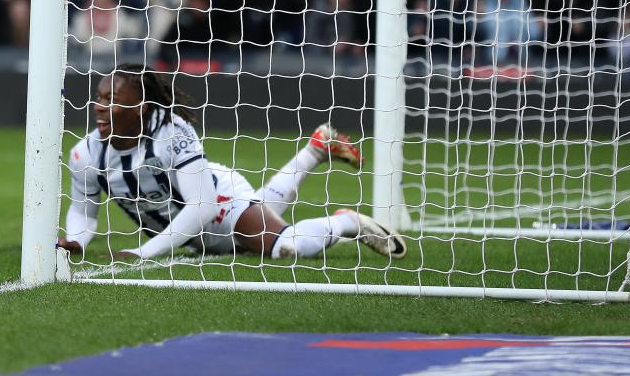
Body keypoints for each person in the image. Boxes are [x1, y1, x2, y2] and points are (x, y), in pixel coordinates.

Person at [59, 64, 408, 263]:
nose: (100, 107)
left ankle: (346, 222)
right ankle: (316, 149)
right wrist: (76, 240)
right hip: (191, 230)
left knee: (282, 247)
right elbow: (83, 212)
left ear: (143, 107)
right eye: (99, 98)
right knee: (254, 224)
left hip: (216, 200)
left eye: (113, 100)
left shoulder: (172, 132)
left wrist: (143, 252)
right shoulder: (85, 155)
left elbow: (202, 205)